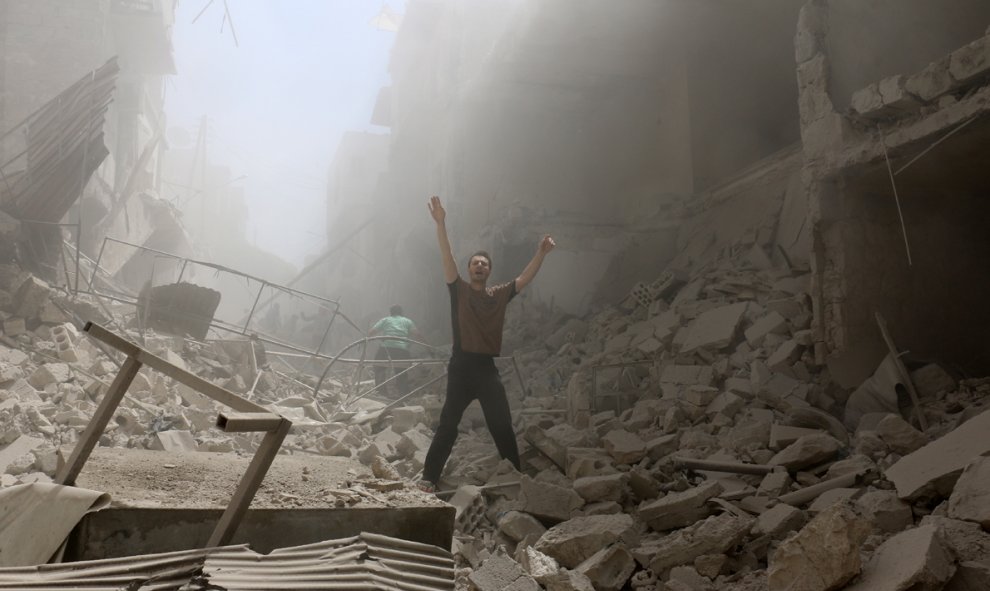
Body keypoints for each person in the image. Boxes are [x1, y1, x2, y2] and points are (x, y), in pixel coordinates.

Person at [421, 195, 555, 492]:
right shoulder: (459, 290)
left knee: (501, 423)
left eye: (484, 263)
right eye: (475, 263)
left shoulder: (499, 295)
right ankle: (429, 477)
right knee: (448, 424)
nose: (479, 266)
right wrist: (441, 224)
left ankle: (516, 477)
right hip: (460, 366)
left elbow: (524, 278)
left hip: (485, 368)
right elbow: (447, 257)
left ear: (489, 271)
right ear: (469, 270)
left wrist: (541, 254)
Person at [369, 305, 422, 396]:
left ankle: (381, 393)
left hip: (386, 348)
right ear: (401, 313)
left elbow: (371, 332)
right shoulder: (407, 321)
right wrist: (428, 347)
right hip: (402, 350)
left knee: (379, 368)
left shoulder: (385, 320)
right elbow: (418, 335)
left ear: (391, 313)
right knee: (401, 372)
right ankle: (403, 394)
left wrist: (368, 339)